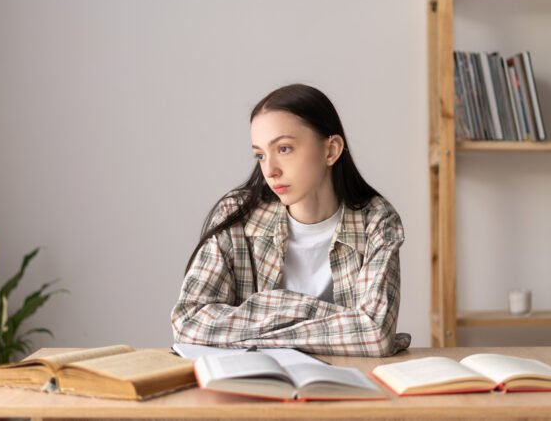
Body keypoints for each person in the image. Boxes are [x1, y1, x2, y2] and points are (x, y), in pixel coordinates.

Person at [170, 83, 411, 356]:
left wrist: (261, 315)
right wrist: (334, 319)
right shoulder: (235, 215)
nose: (269, 170)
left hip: (347, 386)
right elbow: (188, 322)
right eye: (260, 155)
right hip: (255, 387)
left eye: (284, 149)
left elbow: (374, 334)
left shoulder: (378, 222)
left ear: (331, 150)